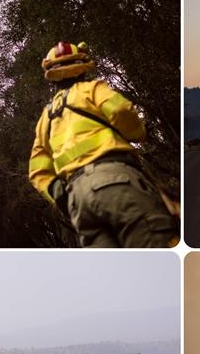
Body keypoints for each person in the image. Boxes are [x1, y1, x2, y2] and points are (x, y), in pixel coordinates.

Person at [28, 41, 177, 248]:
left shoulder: (46, 118)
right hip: (116, 181)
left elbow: (37, 171)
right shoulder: (92, 89)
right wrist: (138, 133)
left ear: (51, 73)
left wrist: (63, 199)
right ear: (82, 65)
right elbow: (120, 111)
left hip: (78, 203)